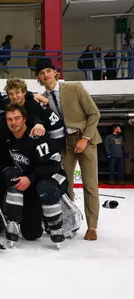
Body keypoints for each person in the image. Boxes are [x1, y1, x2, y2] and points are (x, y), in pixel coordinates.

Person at [35, 58, 101, 241]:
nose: (46, 75)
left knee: (90, 184)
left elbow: (95, 114)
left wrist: (85, 139)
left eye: (48, 71)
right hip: (64, 144)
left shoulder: (74, 88)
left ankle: (92, 227)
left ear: (56, 72)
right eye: (41, 73)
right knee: (65, 185)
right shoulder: (42, 98)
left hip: (84, 138)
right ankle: (71, 223)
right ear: (39, 78)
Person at [4, 104, 67, 246]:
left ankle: (56, 226)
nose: (13, 123)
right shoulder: (8, 138)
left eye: (17, 118)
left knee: (45, 188)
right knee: (31, 234)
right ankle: (16, 222)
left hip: (52, 178)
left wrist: (30, 178)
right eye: (9, 119)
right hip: (31, 183)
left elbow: (53, 165)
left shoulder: (37, 136)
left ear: (24, 119)